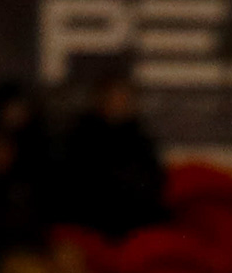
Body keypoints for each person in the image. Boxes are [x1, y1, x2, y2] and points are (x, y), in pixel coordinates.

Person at [48, 71, 168, 238]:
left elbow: (152, 182)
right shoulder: (80, 137)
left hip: (134, 218)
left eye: (124, 98)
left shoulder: (140, 140)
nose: (119, 103)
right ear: (100, 99)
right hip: (89, 217)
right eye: (114, 97)